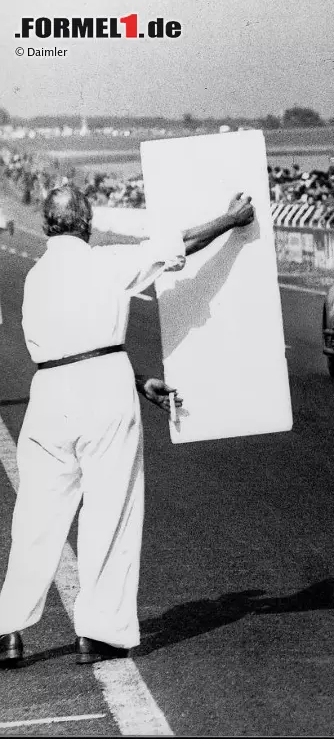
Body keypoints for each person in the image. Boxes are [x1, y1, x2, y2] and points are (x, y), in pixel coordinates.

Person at [0, 185, 255, 668]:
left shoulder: (35, 277)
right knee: (110, 510)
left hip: (49, 393)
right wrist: (231, 219)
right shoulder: (106, 262)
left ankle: (5, 628)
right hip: (104, 389)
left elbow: (67, 347)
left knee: (35, 517)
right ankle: (99, 631)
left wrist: (136, 380)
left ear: (49, 226)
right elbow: (180, 245)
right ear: (86, 223)